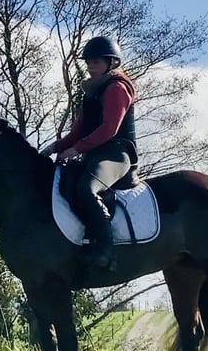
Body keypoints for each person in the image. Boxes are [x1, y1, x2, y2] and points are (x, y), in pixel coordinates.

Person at [40, 36, 137, 272]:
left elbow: (109, 129)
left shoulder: (116, 88)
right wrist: (55, 147)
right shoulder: (92, 94)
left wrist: (76, 150)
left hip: (116, 155)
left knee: (86, 188)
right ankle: (82, 241)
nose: (90, 65)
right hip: (95, 154)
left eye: (96, 61)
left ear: (111, 63)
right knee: (65, 181)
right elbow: (77, 133)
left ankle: (106, 250)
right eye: (88, 62)